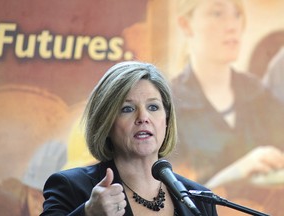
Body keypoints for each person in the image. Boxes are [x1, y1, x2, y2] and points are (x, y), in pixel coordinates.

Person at [40, 61, 218, 216]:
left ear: (167, 121)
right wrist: (88, 214)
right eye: (127, 109)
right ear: (106, 123)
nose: (143, 117)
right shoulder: (71, 187)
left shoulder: (200, 199)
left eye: (153, 107)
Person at [172, 0, 284, 189]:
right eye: (217, 14)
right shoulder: (167, 105)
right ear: (185, 24)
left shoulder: (261, 95)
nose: (232, 26)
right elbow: (169, 197)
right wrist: (237, 172)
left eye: (237, 15)